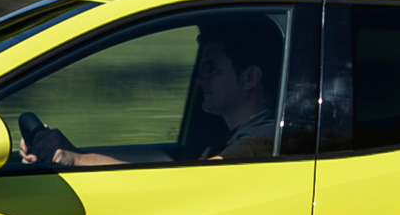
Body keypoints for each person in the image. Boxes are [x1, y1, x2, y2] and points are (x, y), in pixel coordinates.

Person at [20, 16, 283, 168]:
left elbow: (190, 184)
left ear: (250, 78)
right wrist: (70, 152)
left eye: (211, 69)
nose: (199, 79)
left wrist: (76, 159)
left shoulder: (259, 142)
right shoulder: (232, 136)